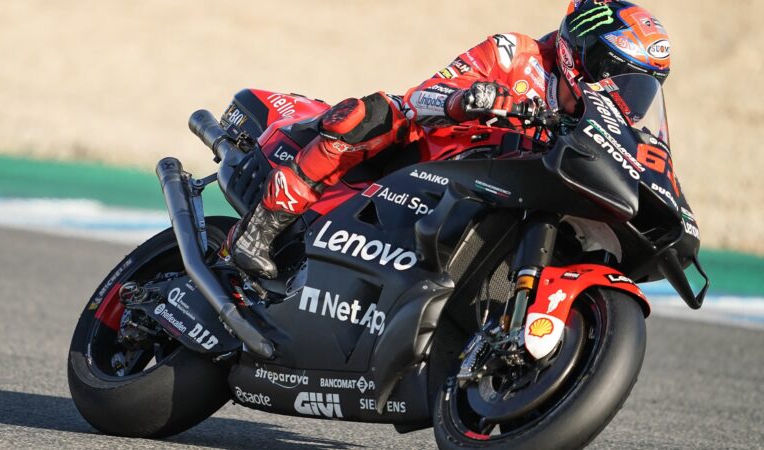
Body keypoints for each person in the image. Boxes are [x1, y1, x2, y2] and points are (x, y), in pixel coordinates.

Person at [228, 0, 671, 279]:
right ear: (583, 54)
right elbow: (425, 95)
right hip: (432, 160)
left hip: (505, 194)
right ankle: (262, 227)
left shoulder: (608, 126)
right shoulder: (513, 54)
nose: (624, 95)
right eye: (618, 76)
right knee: (380, 111)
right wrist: (470, 98)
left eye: (640, 88)